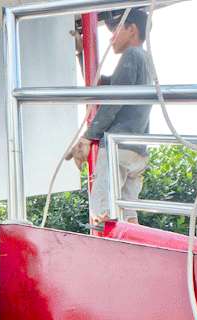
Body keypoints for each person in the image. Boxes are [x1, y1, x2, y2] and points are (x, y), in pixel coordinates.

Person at [66, 8, 152, 224]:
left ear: (132, 29)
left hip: (118, 148)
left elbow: (113, 100)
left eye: (115, 31)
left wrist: (88, 136)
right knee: (128, 217)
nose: (111, 37)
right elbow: (103, 85)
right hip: (137, 151)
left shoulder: (131, 55)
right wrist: (81, 53)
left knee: (102, 215)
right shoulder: (145, 59)